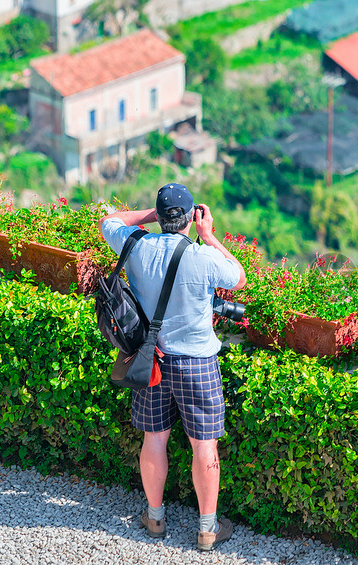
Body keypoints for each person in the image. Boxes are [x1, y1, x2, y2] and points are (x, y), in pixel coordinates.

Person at [98, 183, 246, 551]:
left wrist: (152, 214)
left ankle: (155, 517)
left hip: (153, 361)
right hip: (197, 362)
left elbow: (109, 220)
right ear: (192, 215)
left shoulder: (136, 246)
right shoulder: (203, 256)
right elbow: (238, 278)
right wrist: (208, 234)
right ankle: (208, 529)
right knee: (203, 445)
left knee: (155, 438)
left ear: (162, 217)